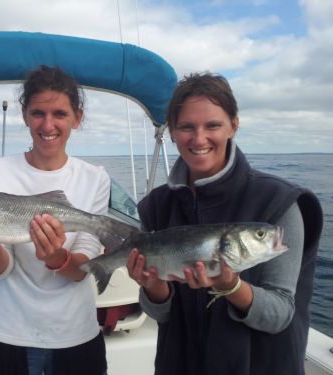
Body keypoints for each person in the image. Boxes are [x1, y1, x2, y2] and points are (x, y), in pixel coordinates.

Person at [126, 72, 323, 375]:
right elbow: (159, 314)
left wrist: (231, 286)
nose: (200, 138)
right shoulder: (156, 205)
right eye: (187, 127)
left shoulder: (279, 202)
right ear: (173, 131)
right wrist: (154, 287)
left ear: (234, 124)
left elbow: (281, 314)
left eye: (213, 125)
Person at [0, 65, 108, 375]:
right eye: (37, 114)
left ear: (77, 117)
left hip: (76, 331)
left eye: (59, 113)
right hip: (7, 330)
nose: (48, 125)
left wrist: (58, 258)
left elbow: (81, 271)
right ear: (24, 114)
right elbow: (1, 268)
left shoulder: (95, 178)